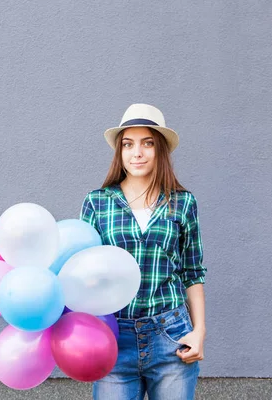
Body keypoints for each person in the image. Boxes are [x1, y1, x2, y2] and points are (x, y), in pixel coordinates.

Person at [80, 103, 206, 400]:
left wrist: (199, 331)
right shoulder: (98, 202)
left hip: (171, 335)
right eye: (128, 144)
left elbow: (193, 272)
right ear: (120, 151)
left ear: (160, 149)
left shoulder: (183, 202)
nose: (137, 152)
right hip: (114, 337)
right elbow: (84, 270)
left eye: (147, 143)